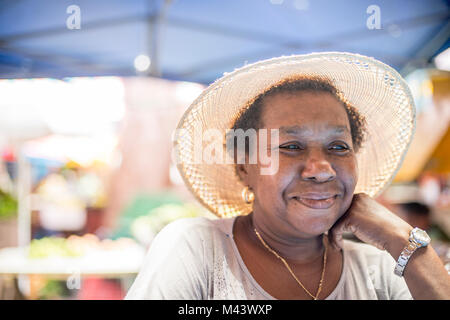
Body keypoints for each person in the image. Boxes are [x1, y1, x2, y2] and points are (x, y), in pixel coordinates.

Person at [125, 52, 450, 300]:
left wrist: (400, 237)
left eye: (338, 146)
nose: (321, 169)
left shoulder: (380, 270)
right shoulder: (196, 249)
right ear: (244, 167)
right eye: (291, 146)